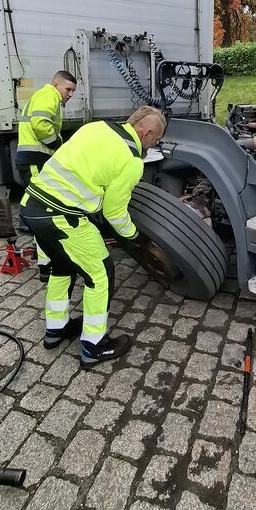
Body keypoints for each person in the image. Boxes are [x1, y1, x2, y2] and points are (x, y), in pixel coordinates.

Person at [20, 105, 166, 369]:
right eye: (156, 139)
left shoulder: (97, 127)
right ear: (145, 133)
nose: (154, 144)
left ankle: (56, 329)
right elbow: (114, 212)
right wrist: (133, 235)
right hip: (61, 216)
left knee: (61, 267)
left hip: (32, 206)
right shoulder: (131, 160)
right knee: (100, 274)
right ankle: (93, 346)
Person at [16, 70, 77, 275]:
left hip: (34, 160)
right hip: (34, 159)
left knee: (42, 209)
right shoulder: (49, 94)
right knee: (42, 210)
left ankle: (45, 260)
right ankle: (46, 263)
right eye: (68, 89)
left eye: (73, 91)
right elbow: (40, 124)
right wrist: (58, 144)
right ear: (56, 84)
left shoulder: (46, 96)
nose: (70, 94)